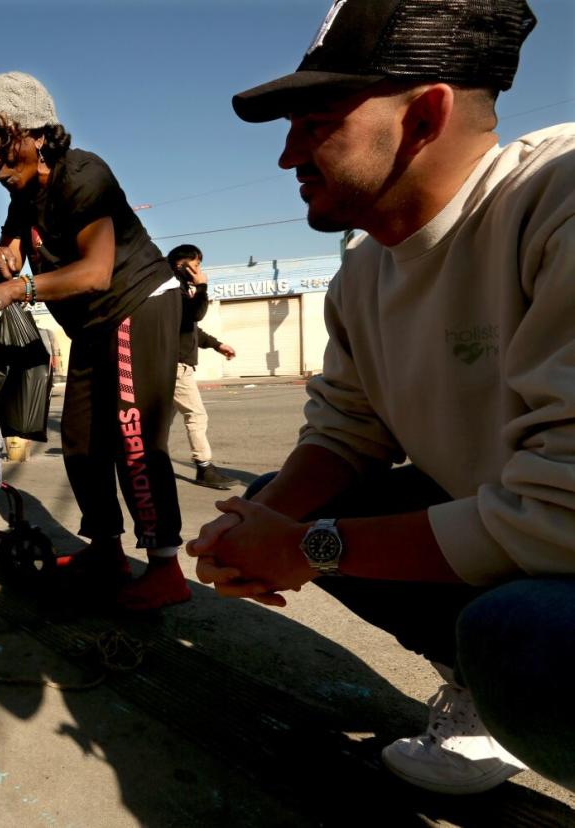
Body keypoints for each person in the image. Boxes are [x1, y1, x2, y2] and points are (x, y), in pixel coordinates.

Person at [188, 0, 575, 795]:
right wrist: (257, 530)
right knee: (276, 500)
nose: (287, 155)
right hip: (524, 531)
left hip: (557, 555)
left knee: (527, 640)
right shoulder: (363, 274)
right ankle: (476, 690)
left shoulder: (554, 198)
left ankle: (502, 678)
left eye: (316, 119)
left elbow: (565, 516)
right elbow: (348, 431)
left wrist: (302, 548)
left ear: (426, 114)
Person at [0, 72, 188, 611]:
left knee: (133, 438)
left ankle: (165, 567)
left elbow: (96, 271)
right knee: (81, 441)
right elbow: (10, 253)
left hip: (138, 303)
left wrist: (16, 287)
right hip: (90, 326)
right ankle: (105, 551)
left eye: (1, 147)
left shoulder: (83, 174)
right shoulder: (24, 197)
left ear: (36, 134)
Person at [167, 243, 238, 490]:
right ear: (182, 264)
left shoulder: (176, 289)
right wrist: (202, 286)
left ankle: (148, 462)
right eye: (196, 265)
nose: (199, 270)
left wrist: (218, 345)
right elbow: (196, 315)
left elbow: (192, 327)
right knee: (196, 416)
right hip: (175, 366)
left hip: (172, 365)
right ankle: (204, 467)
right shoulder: (174, 289)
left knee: (163, 420)